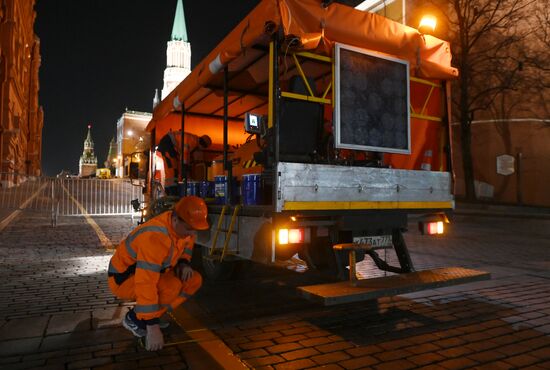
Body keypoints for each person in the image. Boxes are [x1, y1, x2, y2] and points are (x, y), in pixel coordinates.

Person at [107, 195, 209, 351]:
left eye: (194, 229)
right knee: (172, 286)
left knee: (193, 280)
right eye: (189, 229)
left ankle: (149, 315)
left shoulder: (183, 228)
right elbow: (145, 282)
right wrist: (153, 328)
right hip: (124, 280)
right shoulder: (155, 238)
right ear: (176, 220)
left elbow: (187, 245)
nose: (191, 233)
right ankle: (135, 319)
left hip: (151, 273)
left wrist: (183, 263)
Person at [157, 130, 212, 195]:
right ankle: (171, 191)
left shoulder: (193, 140)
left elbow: (183, 157)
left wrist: (185, 169)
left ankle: (171, 190)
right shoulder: (193, 142)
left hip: (168, 144)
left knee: (173, 168)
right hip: (168, 144)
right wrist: (185, 169)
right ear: (203, 145)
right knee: (172, 169)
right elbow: (184, 156)